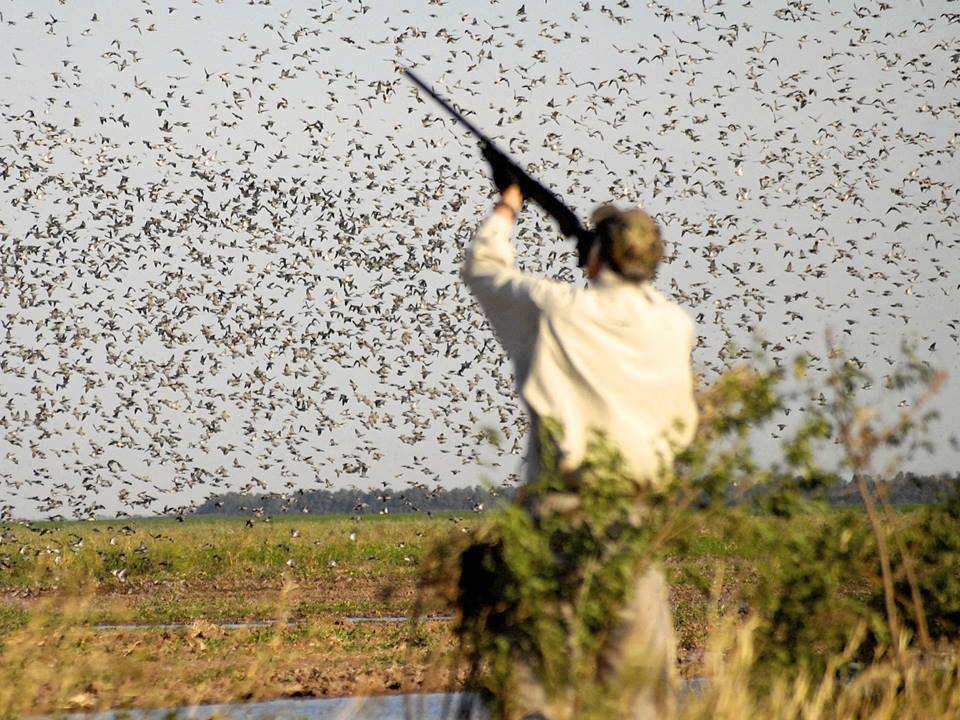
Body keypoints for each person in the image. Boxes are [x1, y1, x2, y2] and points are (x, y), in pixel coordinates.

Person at [461, 180, 698, 719]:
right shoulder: (674, 327)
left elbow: (483, 270)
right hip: (636, 527)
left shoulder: (558, 311)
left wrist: (508, 204)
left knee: (536, 693)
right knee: (638, 699)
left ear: (594, 257)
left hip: (559, 524)